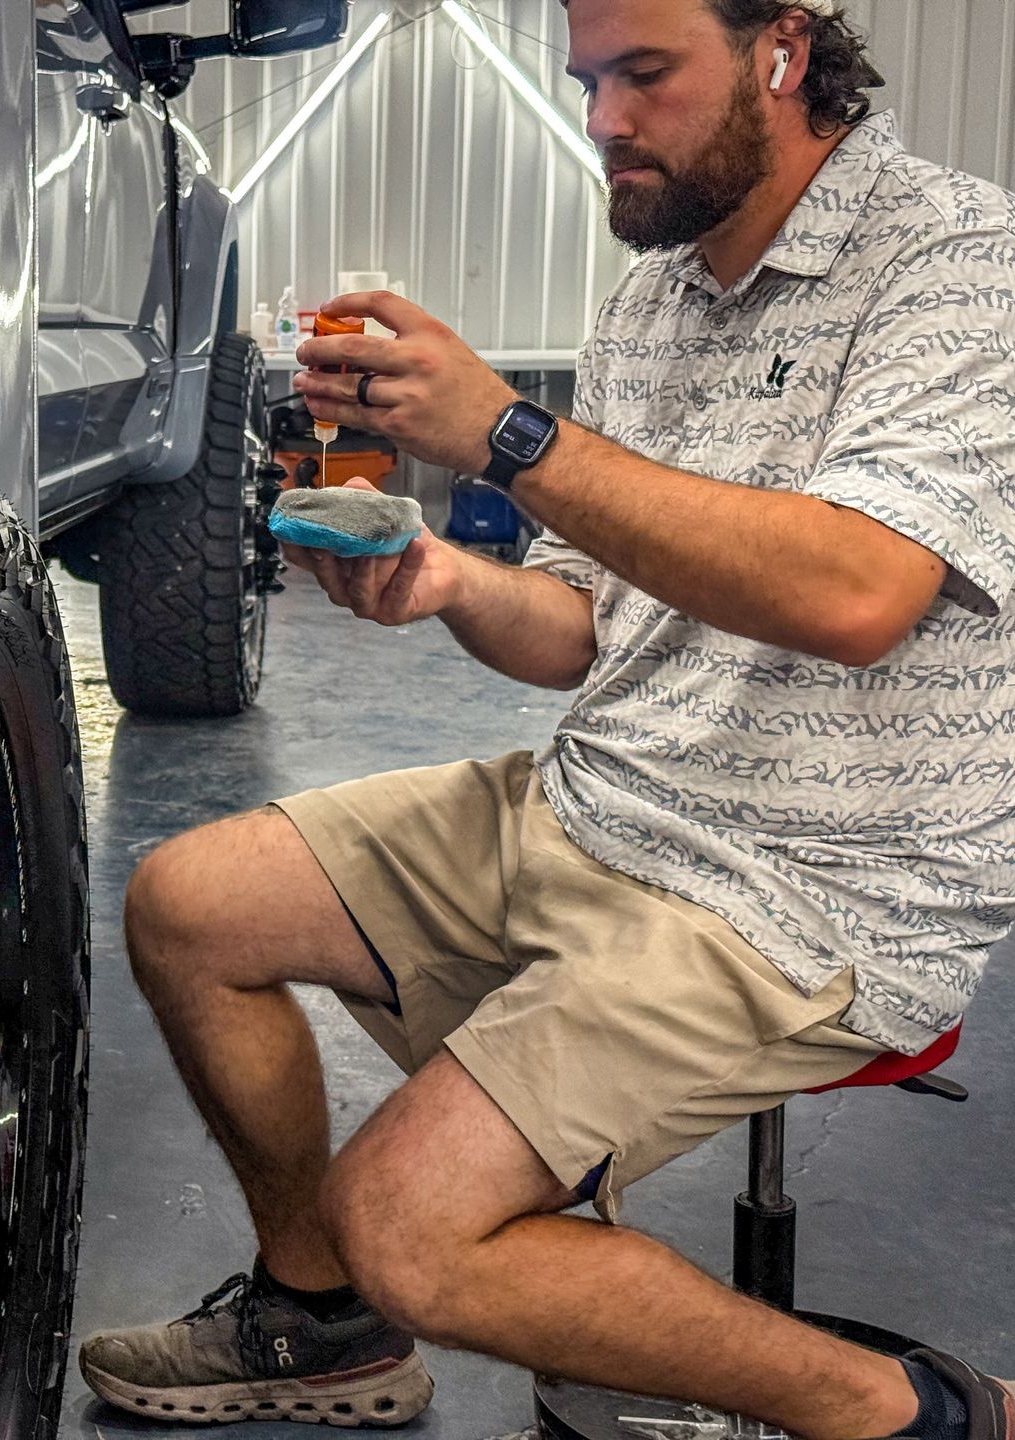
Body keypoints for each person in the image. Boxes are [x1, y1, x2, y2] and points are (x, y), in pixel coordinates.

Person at [78, 0, 1015, 1435]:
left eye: (646, 76)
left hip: (810, 890)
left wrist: (512, 433)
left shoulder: (955, 262)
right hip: (599, 806)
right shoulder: (656, 297)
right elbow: (585, 625)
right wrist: (446, 579)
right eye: (587, 80)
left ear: (785, 47)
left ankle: (919, 1412)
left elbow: (855, 592)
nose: (602, 122)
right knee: (191, 903)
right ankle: (322, 1321)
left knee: (414, 1225)